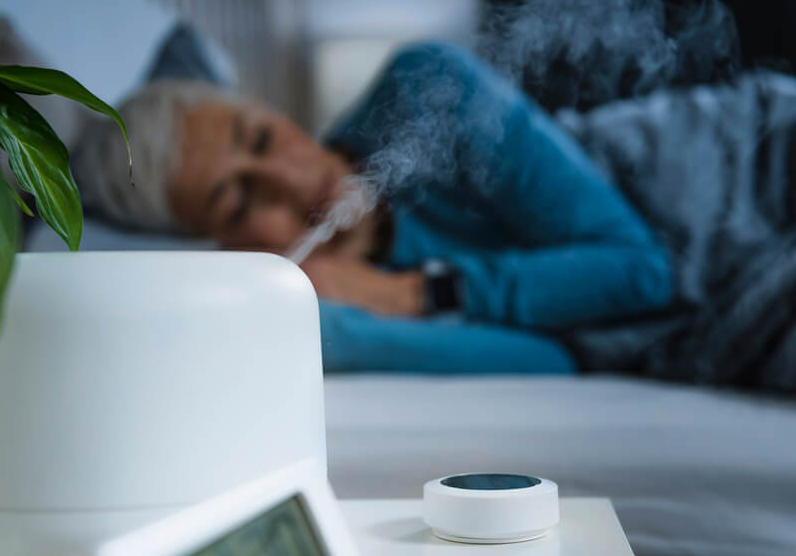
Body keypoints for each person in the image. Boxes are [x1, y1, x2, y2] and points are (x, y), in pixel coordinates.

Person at [75, 42, 675, 376]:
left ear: (270, 109)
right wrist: (339, 322)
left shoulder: (428, 92)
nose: (290, 180)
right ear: (221, 247)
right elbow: (555, 363)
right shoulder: (331, 312)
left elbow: (643, 272)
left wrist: (413, 296)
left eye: (260, 139)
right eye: (236, 200)